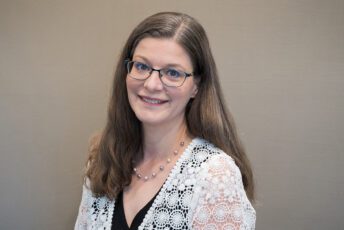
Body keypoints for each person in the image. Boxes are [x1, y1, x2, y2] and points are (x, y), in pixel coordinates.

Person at [75, 12, 256, 230]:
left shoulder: (214, 177)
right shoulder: (104, 157)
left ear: (196, 86)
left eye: (172, 72)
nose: (152, 84)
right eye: (141, 66)